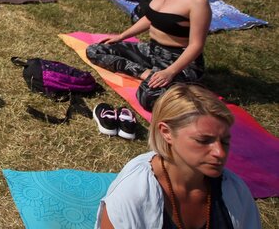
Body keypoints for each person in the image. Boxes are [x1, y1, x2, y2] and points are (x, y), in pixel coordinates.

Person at [96, 84, 261, 229]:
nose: (220, 152)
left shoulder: (236, 193)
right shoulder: (133, 195)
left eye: (224, 141)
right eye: (203, 140)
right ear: (166, 132)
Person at [87, 0, 216, 111]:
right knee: (95, 50)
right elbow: (150, 18)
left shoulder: (197, 0)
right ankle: (145, 73)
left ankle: (178, 83)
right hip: (153, 51)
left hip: (178, 60)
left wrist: (169, 72)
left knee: (148, 96)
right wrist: (122, 36)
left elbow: (196, 45)